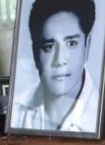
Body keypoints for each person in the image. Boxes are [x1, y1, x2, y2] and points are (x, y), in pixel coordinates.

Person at [10, 0, 100, 133]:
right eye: (49, 47)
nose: (60, 60)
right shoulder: (16, 112)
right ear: (35, 54)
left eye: (71, 44)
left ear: (87, 47)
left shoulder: (99, 118)